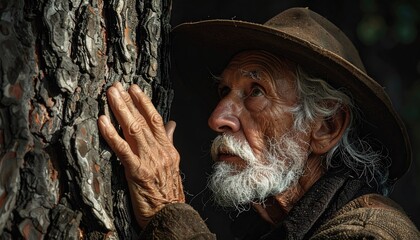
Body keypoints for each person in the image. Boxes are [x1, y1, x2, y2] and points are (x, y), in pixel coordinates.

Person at [98, 7, 420, 239]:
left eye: (256, 91)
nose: (217, 119)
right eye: (224, 91)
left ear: (326, 127)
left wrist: (166, 211)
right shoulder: (266, 228)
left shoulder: (373, 232)